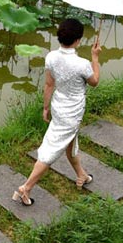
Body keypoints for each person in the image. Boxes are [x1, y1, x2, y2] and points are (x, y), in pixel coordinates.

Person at [13, 19, 101, 205]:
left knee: (69, 142)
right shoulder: (82, 64)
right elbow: (94, 82)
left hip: (58, 107)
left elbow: (49, 84)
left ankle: (81, 175)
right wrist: (95, 58)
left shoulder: (51, 57)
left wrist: (45, 107)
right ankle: (25, 188)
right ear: (78, 40)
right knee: (50, 152)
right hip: (72, 112)